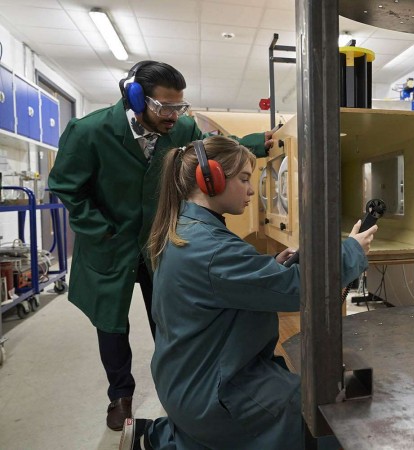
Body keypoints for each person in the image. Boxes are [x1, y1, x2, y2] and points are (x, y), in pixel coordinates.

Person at [48, 60, 273, 431]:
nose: (173, 115)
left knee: (171, 317)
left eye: (179, 107)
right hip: (109, 245)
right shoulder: (89, 131)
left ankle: (178, 387)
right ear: (136, 98)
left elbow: (206, 155)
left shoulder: (180, 128)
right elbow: (66, 186)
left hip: (157, 242)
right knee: (112, 323)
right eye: (164, 107)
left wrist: (252, 144)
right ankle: (120, 395)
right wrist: (100, 229)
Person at [118, 136, 378, 449]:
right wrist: (351, 252)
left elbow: (222, 283)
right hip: (213, 393)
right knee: (325, 414)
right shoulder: (211, 249)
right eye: (244, 179)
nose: (252, 190)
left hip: (184, 378)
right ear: (210, 180)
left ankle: (163, 438)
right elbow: (296, 291)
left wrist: (269, 266)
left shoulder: (187, 230)